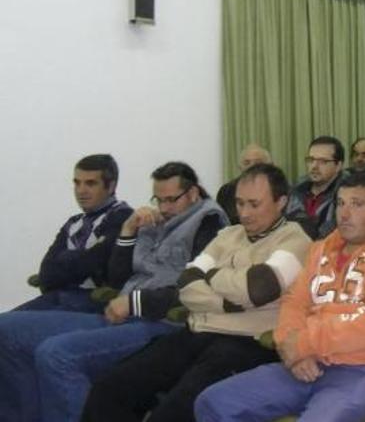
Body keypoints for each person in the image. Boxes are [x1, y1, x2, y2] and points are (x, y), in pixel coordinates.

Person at [81, 164, 313, 422]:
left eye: (254, 204)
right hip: (197, 331)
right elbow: (187, 282)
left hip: (247, 342)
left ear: (281, 201)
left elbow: (256, 289)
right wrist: (229, 297)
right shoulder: (228, 235)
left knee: (173, 414)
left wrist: (211, 275)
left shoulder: (296, 242)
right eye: (239, 203)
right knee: (110, 388)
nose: (244, 214)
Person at [0, 162, 227, 422]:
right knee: (5, 330)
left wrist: (135, 302)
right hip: (119, 315)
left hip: (162, 322)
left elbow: (195, 287)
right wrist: (128, 230)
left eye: (171, 200)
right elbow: (118, 278)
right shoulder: (153, 221)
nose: (163, 208)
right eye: (158, 199)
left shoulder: (210, 223)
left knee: (56, 354)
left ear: (194, 194)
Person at [194, 174, 365, 422]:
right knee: (213, 402)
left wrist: (305, 342)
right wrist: (293, 352)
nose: (344, 214)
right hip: (303, 364)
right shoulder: (321, 248)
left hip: (363, 370)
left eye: (357, 204)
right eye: (340, 203)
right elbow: (294, 303)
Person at [16, 154, 132, 313]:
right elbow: (46, 273)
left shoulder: (124, 218)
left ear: (110, 186)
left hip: (93, 302)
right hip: (58, 296)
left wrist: (66, 258)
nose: (81, 191)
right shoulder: (73, 223)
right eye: (77, 183)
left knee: (9, 329)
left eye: (90, 183)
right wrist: (83, 259)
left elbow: (99, 264)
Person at [287, 136, 345, 239]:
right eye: (311, 160)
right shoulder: (294, 191)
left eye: (323, 161)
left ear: (338, 166)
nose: (314, 166)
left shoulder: (345, 196)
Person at [216, 144, 271, 224]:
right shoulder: (226, 191)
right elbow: (221, 223)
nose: (252, 166)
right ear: (240, 167)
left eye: (258, 162)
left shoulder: (277, 188)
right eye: (247, 163)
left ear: (269, 166)